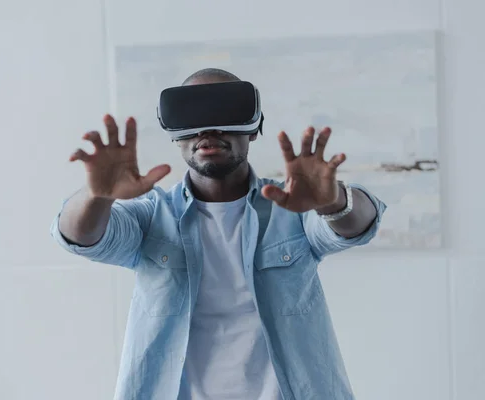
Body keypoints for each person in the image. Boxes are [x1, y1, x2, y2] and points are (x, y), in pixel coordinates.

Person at [51, 68, 386, 400]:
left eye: (224, 112)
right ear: (175, 134)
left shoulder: (292, 208)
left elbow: (356, 226)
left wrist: (333, 202)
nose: (207, 130)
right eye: (192, 117)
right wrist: (98, 196)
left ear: (254, 129)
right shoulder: (152, 215)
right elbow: (82, 237)